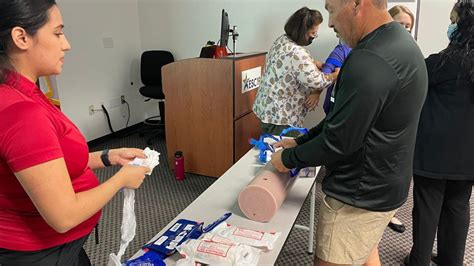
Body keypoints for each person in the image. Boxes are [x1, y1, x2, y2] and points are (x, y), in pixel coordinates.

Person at [270, 0, 428, 264]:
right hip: (387, 183)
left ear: (357, 4)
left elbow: (337, 141)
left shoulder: (370, 61)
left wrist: (287, 160)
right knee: (367, 251)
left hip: (358, 196)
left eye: (331, 9)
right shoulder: (399, 41)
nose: (330, 23)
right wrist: (300, 140)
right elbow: (340, 119)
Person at [0, 1, 151, 265]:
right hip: (39, 254)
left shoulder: (22, 92)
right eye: (58, 33)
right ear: (21, 37)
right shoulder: (21, 112)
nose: (66, 44)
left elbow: (46, 162)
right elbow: (64, 216)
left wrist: (107, 156)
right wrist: (121, 180)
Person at [406, 1, 474, 265]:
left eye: (453, 20)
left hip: (434, 152)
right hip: (468, 156)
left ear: (462, 25)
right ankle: (450, 260)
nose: (450, 25)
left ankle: (419, 261)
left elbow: (412, 88)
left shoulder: (441, 62)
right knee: (458, 207)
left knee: (426, 207)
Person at [252, 7, 338, 137]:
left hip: (267, 111)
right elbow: (317, 81)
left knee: (275, 147)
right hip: (280, 117)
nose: (314, 36)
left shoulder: (282, 41)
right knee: (284, 151)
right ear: (303, 32)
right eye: (313, 33)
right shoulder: (296, 53)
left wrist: (314, 63)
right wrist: (335, 74)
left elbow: (290, 66)